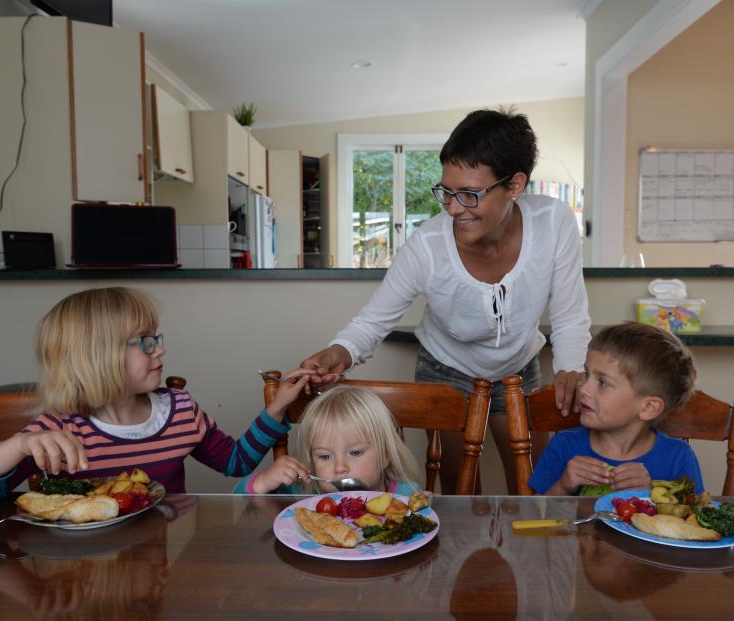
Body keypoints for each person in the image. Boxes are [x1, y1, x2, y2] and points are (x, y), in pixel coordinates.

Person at [301, 107, 591, 494]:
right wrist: (338, 351)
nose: (454, 207)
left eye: (470, 194)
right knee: (460, 494)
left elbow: (570, 316)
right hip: (448, 371)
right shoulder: (427, 246)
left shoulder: (553, 223)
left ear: (516, 185)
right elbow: (372, 323)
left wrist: (571, 367)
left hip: (518, 369)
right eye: (447, 192)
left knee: (534, 488)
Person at [0, 287, 313, 512]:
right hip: (82, 574)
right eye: (146, 342)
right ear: (96, 356)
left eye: (158, 339)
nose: (160, 351)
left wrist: (276, 407)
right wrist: (18, 447)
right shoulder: (58, 429)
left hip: (166, 560)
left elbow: (236, 462)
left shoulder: (179, 410)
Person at [529, 322, 705, 495]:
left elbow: (694, 521)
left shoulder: (678, 458)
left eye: (603, 383)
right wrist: (563, 486)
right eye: (587, 374)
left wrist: (651, 495)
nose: (583, 389)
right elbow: (535, 516)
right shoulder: (564, 445)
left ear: (648, 408)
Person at [234, 385, 420, 495]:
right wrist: (264, 481)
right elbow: (235, 503)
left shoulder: (406, 495)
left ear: (385, 454)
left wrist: (430, 509)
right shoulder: (305, 491)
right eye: (324, 456)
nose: (340, 468)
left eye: (355, 452)